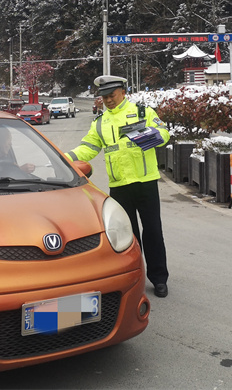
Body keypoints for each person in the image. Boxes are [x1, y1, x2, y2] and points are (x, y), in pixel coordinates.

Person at [65, 75, 171, 298]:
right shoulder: (100, 122)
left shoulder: (143, 112)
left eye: (111, 95)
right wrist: (63, 158)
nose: (108, 101)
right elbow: (88, 148)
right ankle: (136, 277)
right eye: (104, 97)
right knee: (128, 236)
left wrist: (149, 137)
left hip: (145, 182)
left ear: (123, 92)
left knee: (153, 231)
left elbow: (164, 133)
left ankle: (159, 278)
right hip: (119, 186)